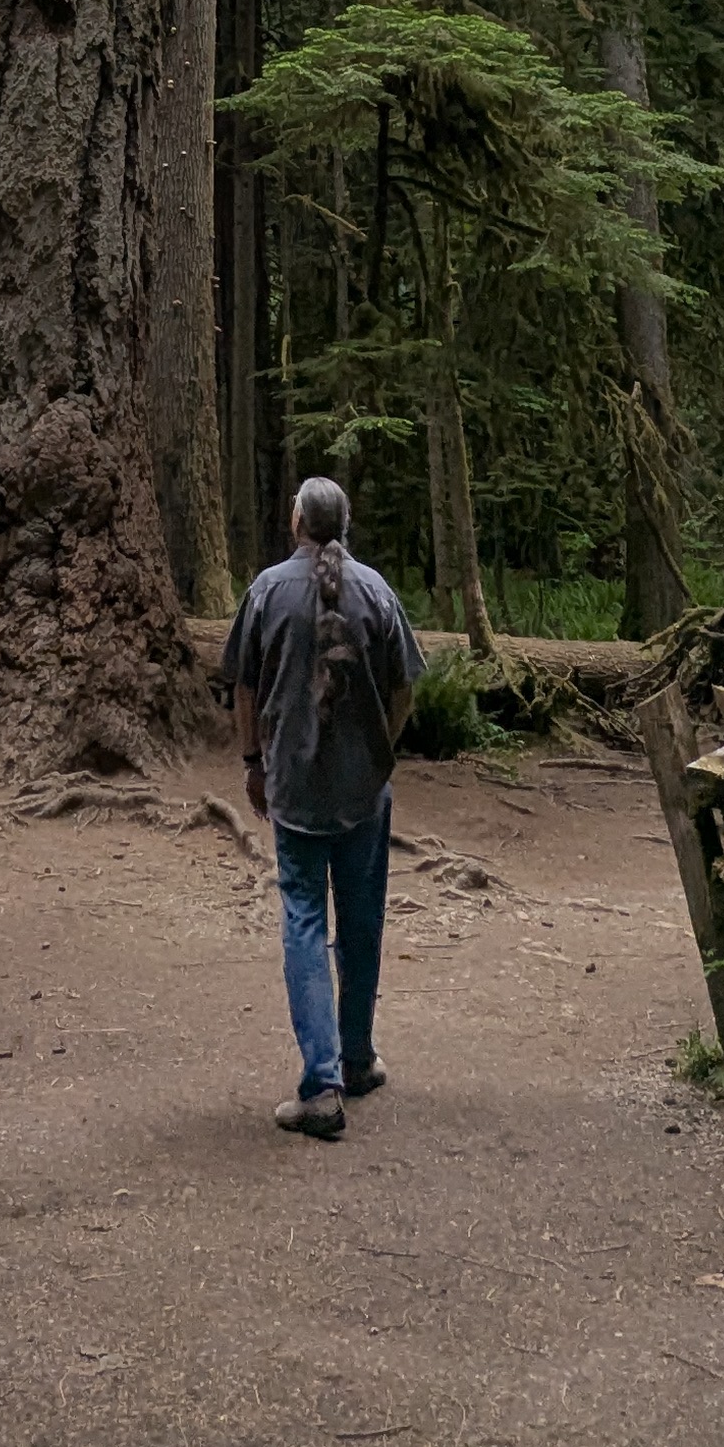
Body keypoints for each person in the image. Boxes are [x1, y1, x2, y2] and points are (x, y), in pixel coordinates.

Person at [221, 477, 425, 1139]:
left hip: (295, 788)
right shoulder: (379, 593)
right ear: (343, 523)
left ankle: (322, 1084)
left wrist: (253, 762)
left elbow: (245, 687)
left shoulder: (266, 592)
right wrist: (380, 753)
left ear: (297, 522)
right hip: (365, 791)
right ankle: (357, 1058)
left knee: (304, 920)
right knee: (361, 923)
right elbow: (404, 691)